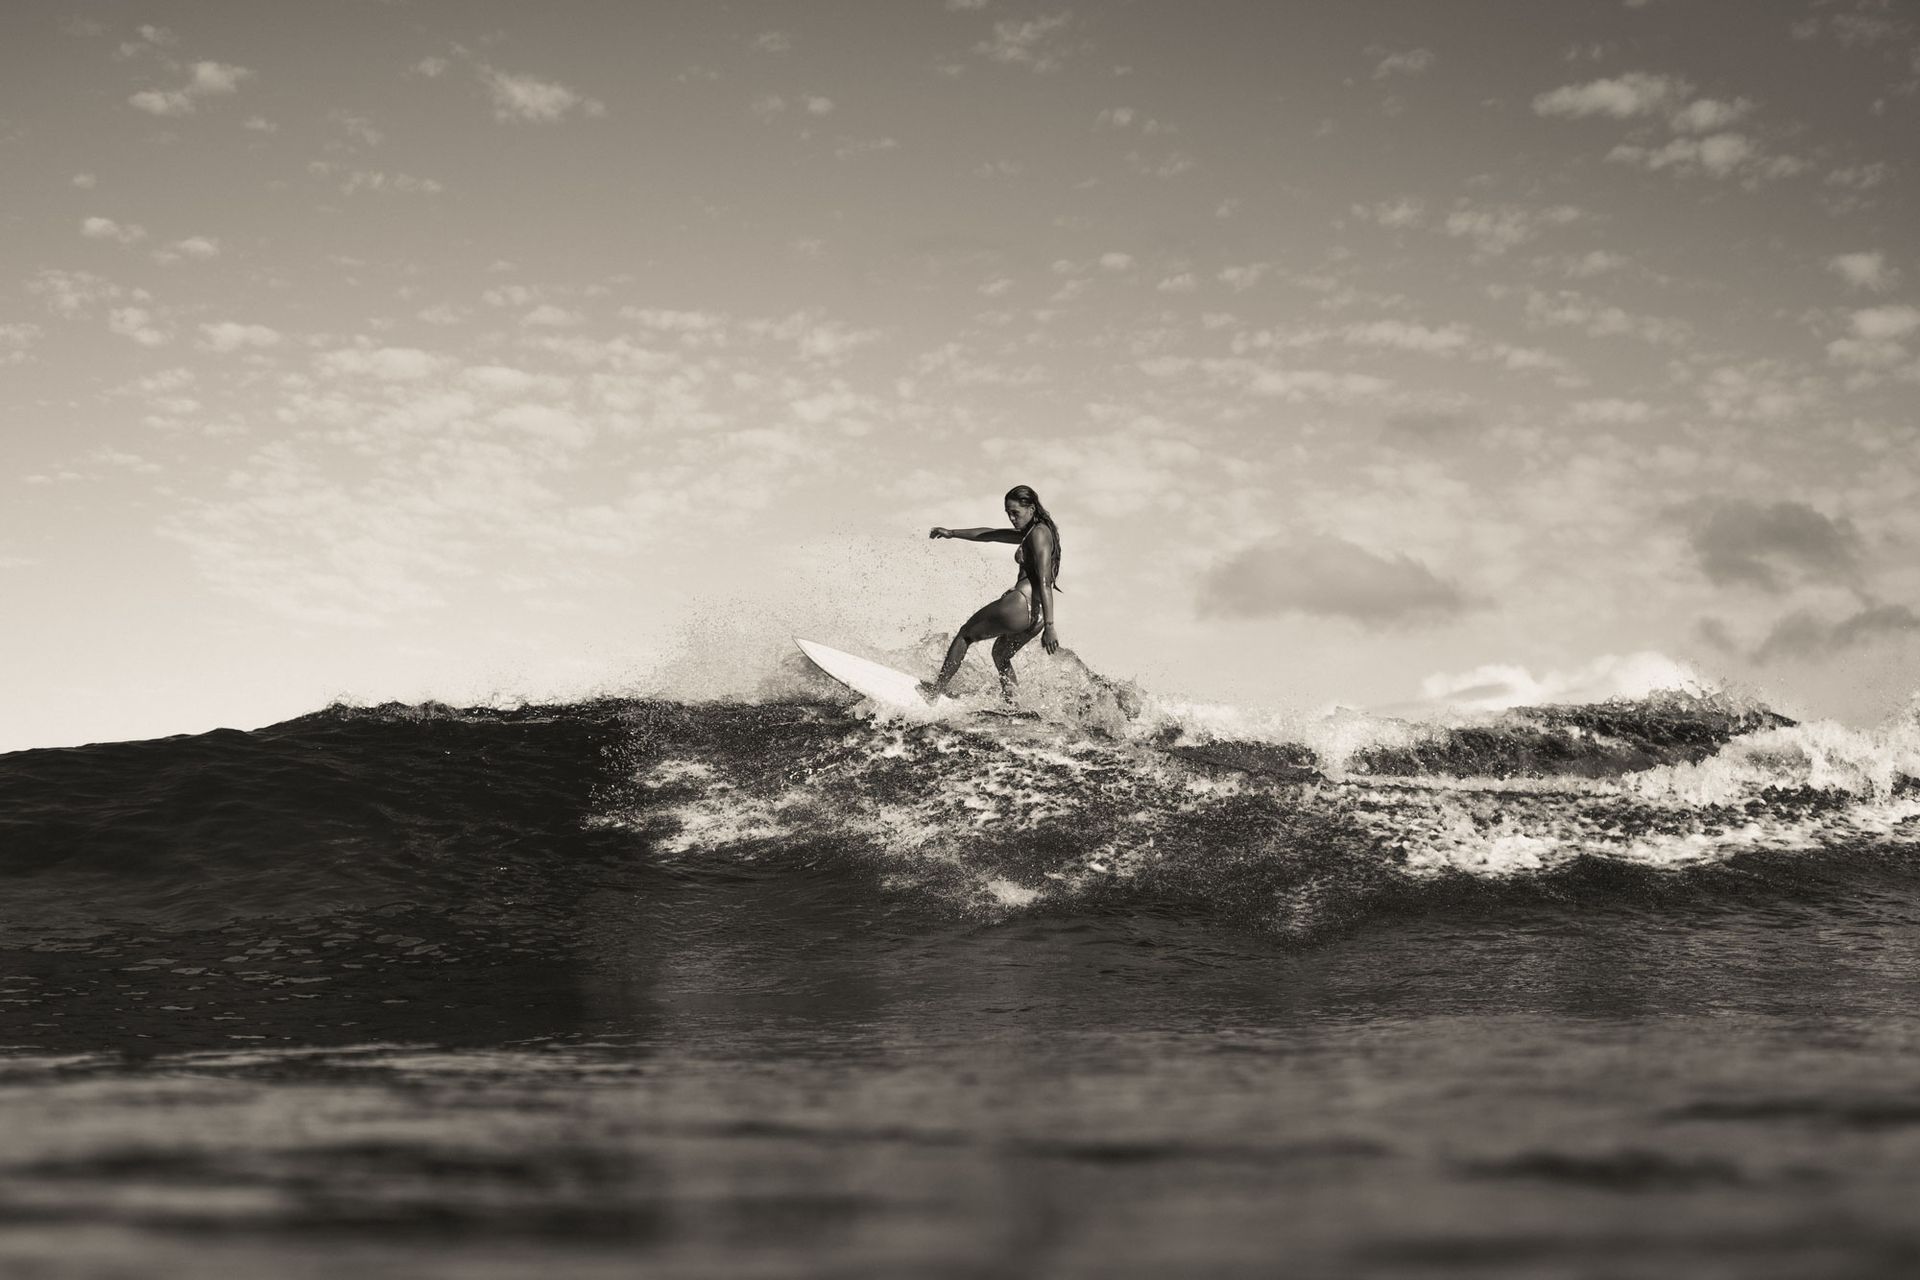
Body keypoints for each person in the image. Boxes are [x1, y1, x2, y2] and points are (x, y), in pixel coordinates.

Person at [926, 485, 1061, 702]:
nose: (1011, 517)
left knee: (965, 635)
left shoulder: (1039, 533)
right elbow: (991, 534)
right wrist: (952, 533)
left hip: (1022, 605)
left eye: (1015, 512)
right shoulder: (1033, 532)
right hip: (1036, 617)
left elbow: (1045, 582)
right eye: (1008, 513)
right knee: (1000, 655)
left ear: (1031, 509)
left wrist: (1052, 627)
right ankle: (1014, 706)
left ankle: (934, 692)